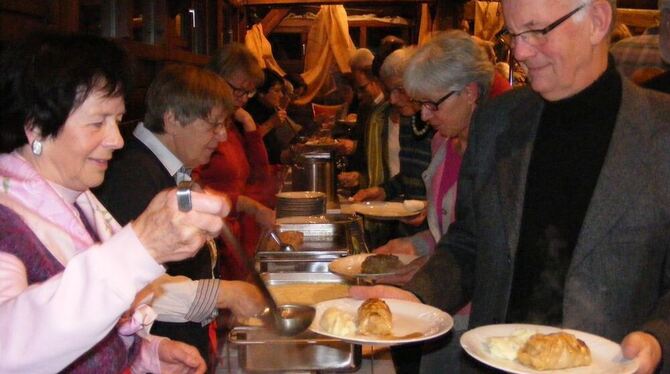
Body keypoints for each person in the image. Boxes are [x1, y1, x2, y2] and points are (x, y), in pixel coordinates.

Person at [352, 0, 670, 373]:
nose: (518, 51)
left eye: (535, 31)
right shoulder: (496, 122)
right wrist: (417, 295)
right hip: (496, 362)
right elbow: (470, 240)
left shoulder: (660, 133)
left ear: (597, 21)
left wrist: (657, 336)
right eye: (513, 34)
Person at [0, 33, 229, 373]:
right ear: (36, 127)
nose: (117, 139)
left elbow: (89, 322)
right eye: (97, 123)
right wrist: (140, 246)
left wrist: (146, 353)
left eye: (117, 121)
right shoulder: (8, 216)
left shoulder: (76, 197)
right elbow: (10, 347)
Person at [94, 64, 265, 365]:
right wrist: (224, 294)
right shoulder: (131, 177)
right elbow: (123, 289)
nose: (223, 135)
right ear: (172, 118)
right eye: (213, 125)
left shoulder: (171, 170)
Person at [366, 31, 510, 258]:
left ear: (469, 92)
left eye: (432, 104)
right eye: (421, 103)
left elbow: (490, 250)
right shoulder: (441, 144)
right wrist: (416, 246)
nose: (423, 115)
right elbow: (451, 235)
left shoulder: (502, 155)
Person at [196, 43, 276, 281]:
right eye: (238, 90)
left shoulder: (230, 126)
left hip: (238, 242)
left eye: (248, 93)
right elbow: (191, 190)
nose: (242, 99)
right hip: (216, 241)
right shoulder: (201, 128)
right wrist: (247, 204)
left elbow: (259, 173)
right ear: (214, 79)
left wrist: (250, 125)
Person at [350, 46, 434, 238]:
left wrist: (430, 208)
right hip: (410, 230)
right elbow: (408, 176)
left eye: (399, 90)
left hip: (437, 234)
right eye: (389, 91)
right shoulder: (408, 119)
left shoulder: (444, 123)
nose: (393, 99)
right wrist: (382, 191)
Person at [244, 68, 294, 164]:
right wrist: (271, 123)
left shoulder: (270, 109)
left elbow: (275, 145)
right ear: (261, 93)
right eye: (276, 90)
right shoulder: (249, 111)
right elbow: (248, 146)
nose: (281, 95)